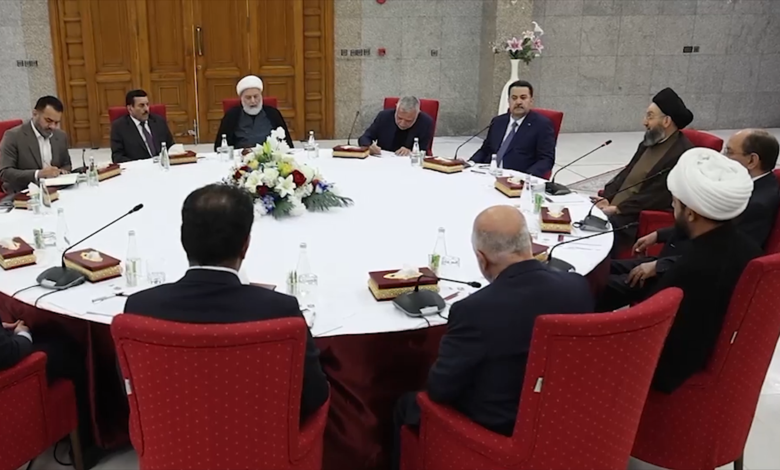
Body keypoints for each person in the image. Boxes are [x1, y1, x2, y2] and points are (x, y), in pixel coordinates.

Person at [392, 206, 594, 470]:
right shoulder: (576, 286)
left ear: (481, 258)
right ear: (528, 242)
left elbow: (440, 390)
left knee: (406, 405)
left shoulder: (474, 310)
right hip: (564, 419)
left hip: (499, 430)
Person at [124, 183, 329, 420]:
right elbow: (313, 395)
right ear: (246, 245)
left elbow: (132, 392)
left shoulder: (140, 308)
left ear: (183, 240)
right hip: (261, 439)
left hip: (170, 439)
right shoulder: (279, 310)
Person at [598, 148, 761, 393]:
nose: (672, 208)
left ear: (691, 214)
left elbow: (651, 333)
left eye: (675, 203)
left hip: (657, 372)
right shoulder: (746, 246)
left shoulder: (690, 270)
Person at [611, 130, 780, 296]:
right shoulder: (739, 189)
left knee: (601, 286)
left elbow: (723, 255)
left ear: (752, 160)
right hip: (678, 258)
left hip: (685, 275)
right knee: (604, 267)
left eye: (729, 152)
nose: (722, 158)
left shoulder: (756, 203)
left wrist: (660, 266)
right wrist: (659, 234)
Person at [593, 88, 694, 254]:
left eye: (650, 116)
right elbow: (626, 174)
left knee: (590, 239)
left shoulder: (680, 154)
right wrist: (607, 197)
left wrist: (618, 209)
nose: (644, 122)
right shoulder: (650, 141)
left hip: (632, 219)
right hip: (617, 209)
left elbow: (656, 196)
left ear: (666, 121)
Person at [1, 319, 97, 467]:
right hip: (12, 381)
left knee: (49, 333)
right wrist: (23, 333)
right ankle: (87, 448)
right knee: (67, 349)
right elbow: (9, 353)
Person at [470, 80, 555, 178]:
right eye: (514, 98)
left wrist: (525, 177)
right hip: (488, 174)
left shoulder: (542, 125)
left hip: (515, 179)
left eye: (523, 98)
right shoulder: (498, 121)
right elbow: (485, 150)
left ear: (531, 101)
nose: (518, 102)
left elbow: (546, 159)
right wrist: (470, 163)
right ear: (508, 101)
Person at [0, 96, 72, 194]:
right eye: (48, 120)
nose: (53, 127)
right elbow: (5, 173)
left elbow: (67, 164)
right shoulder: (13, 136)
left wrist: (62, 171)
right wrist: (38, 174)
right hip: (23, 192)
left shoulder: (60, 136)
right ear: (35, 114)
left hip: (55, 191)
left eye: (56, 122)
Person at [213, 75, 294, 151]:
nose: (253, 101)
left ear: (261, 96)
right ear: (241, 98)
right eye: (248, 97)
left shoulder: (273, 114)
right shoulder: (231, 116)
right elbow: (220, 146)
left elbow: (287, 144)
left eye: (256, 96)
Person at [110, 89, 175, 163]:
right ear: (130, 108)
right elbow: (117, 157)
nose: (146, 109)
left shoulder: (158, 121)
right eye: (141, 105)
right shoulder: (119, 127)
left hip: (161, 165)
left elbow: (171, 146)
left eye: (147, 104)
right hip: (138, 167)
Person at [357, 96, 434, 156]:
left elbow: (423, 151)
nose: (402, 123)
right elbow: (365, 137)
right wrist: (369, 146)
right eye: (399, 118)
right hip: (383, 160)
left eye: (408, 121)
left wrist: (411, 151)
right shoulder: (384, 116)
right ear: (396, 110)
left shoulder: (426, 122)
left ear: (417, 114)